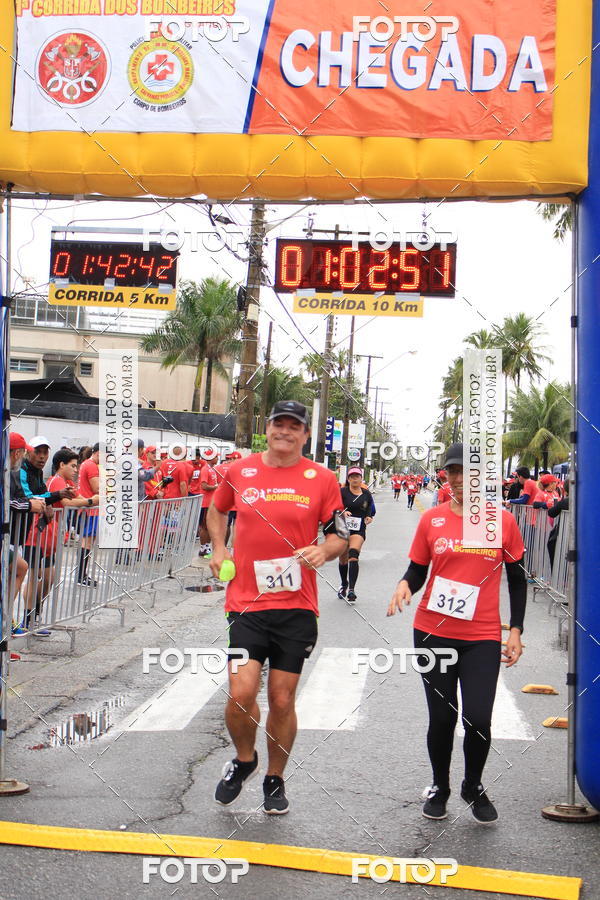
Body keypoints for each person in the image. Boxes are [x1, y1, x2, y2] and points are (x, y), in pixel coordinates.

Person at [207, 400, 348, 815]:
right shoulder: (241, 470)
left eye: (294, 427)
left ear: (305, 435)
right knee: (241, 692)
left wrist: (325, 550)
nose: (285, 432)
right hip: (246, 603)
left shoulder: (321, 479)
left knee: (282, 700)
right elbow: (217, 511)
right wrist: (218, 546)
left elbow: (339, 535)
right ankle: (245, 760)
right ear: (266, 429)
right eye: (278, 424)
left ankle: (275, 778)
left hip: (297, 607)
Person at [387, 442, 526, 825]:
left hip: (482, 635)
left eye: (469, 472)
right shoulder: (432, 519)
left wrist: (515, 630)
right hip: (433, 631)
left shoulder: (503, 522)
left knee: (478, 717)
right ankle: (440, 787)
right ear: (445, 475)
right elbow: (418, 568)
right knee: (443, 716)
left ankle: (473, 785)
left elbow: (517, 579)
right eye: (454, 472)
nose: (461, 479)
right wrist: (404, 585)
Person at [9, 433, 45, 636]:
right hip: (9, 536)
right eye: (23, 452)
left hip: (12, 536)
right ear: (16, 453)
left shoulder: (13, 471)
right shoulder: (9, 472)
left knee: (20, 568)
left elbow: (20, 497)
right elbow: (10, 500)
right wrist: (29, 504)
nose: (24, 457)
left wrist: (36, 502)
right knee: (18, 569)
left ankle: (5, 624)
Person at [337, 466, 374, 603]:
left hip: (358, 529)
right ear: (348, 479)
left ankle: (352, 590)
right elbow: (333, 506)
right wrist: (342, 511)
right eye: (352, 476)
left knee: (353, 554)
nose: (354, 479)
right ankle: (344, 584)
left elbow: (370, 509)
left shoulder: (366, 494)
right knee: (343, 559)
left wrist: (369, 517)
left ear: (361, 478)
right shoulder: (342, 492)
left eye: (357, 476)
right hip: (342, 528)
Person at [77, 442, 100, 586]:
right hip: (90, 509)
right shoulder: (91, 465)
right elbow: (97, 487)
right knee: (87, 542)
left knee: (88, 542)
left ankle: (82, 574)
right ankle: (81, 576)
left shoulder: (87, 464)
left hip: (89, 508)